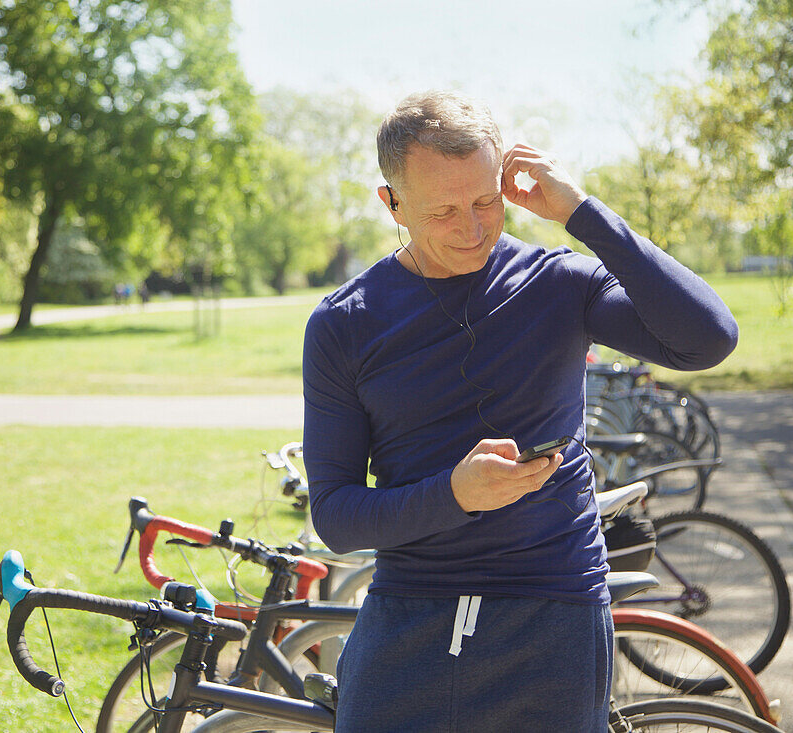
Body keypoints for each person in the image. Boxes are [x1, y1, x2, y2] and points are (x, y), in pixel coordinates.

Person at [301, 91, 738, 732]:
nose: (473, 230)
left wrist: (581, 213)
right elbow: (336, 517)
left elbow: (708, 338)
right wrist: (455, 493)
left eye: (486, 202)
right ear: (391, 203)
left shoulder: (558, 281)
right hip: (409, 622)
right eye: (444, 211)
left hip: (553, 614)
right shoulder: (344, 324)